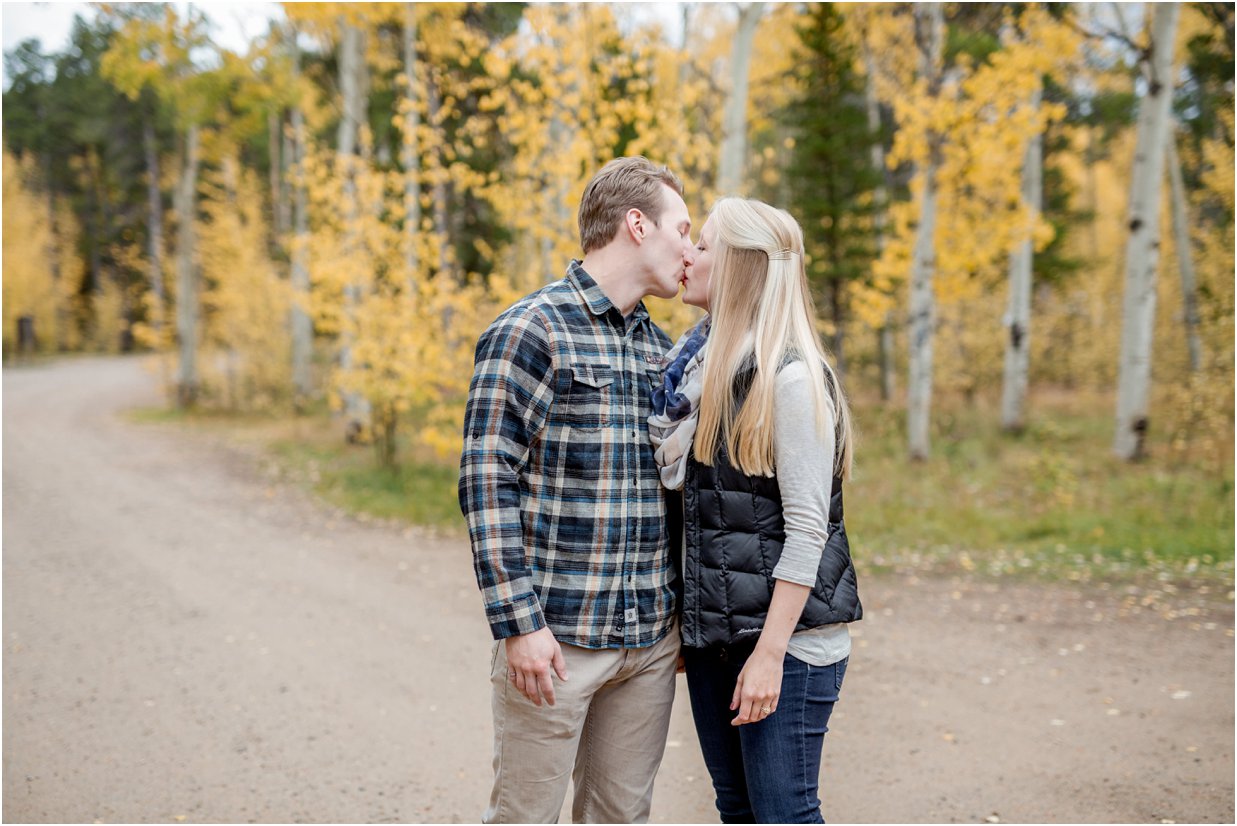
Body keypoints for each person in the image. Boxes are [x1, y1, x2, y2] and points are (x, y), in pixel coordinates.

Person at [458, 156, 694, 823]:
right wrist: (519, 624)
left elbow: (673, 492)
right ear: (637, 224)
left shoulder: (663, 350)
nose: (690, 247)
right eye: (683, 228)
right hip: (555, 642)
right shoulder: (529, 331)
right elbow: (484, 479)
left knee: (621, 818)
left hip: (647, 644)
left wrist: (675, 623)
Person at [649, 197, 862, 823]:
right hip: (718, 637)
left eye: (706, 245)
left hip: (784, 646)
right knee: (738, 810)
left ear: (741, 267)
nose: (689, 255)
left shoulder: (791, 379)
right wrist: (693, 620)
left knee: (783, 814)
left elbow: (807, 531)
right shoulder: (696, 374)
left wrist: (769, 654)